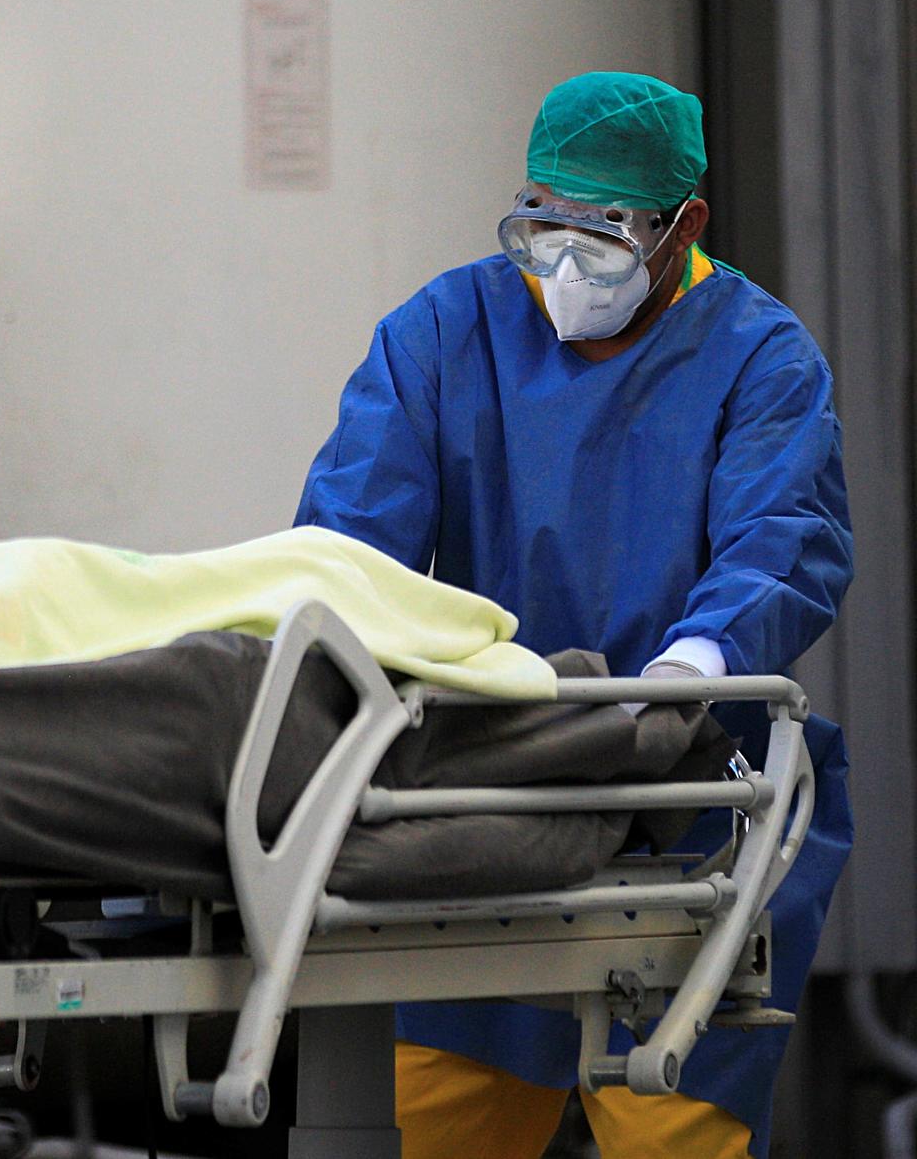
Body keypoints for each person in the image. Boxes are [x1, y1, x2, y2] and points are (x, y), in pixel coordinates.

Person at [294, 71, 853, 1159]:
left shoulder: (758, 357)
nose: (562, 265)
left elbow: (781, 537)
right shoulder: (446, 332)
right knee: (434, 1126)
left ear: (682, 225)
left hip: (686, 811)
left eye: (600, 235)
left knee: (669, 1129)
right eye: (540, 224)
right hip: (475, 811)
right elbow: (349, 544)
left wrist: (694, 668)